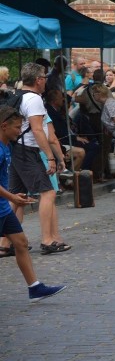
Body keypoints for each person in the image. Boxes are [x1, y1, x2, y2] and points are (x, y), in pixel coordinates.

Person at [0, 62, 70, 255]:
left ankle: (5, 244)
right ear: (39, 80)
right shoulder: (34, 99)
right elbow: (39, 130)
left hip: (15, 149)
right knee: (48, 193)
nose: (46, 81)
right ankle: (48, 240)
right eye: (45, 77)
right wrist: (51, 157)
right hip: (27, 151)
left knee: (16, 196)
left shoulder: (18, 96)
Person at [0, 107, 68, 301]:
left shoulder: (7, 146)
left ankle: (34, 288)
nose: (19, 131)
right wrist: (12, 197)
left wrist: (12, 196)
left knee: (21, 243)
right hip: (3, 206)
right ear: (4, 126)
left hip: (4, 208)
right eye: (16, 127)